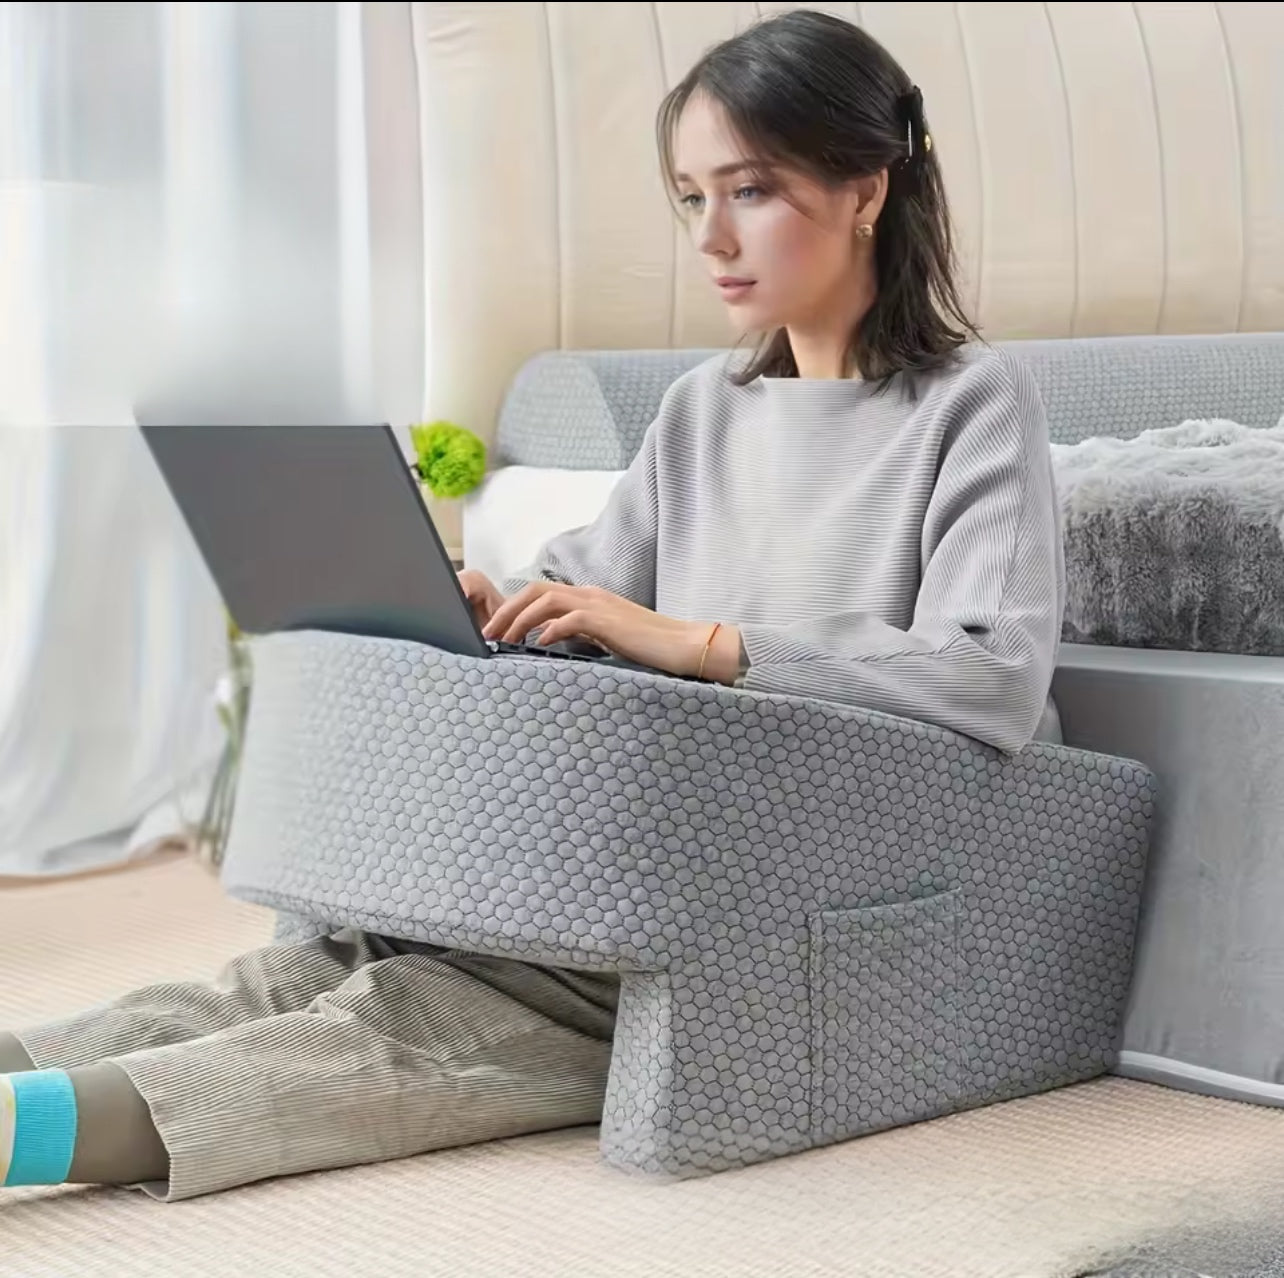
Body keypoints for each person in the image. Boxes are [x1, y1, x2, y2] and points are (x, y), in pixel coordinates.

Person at [0, 10, 1063, 1201]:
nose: (710, 237)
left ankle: (19, 1136)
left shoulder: (973, 405)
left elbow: (990, 674)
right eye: (688, 198)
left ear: (866, 189)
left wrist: (698, 643)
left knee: (401, 1031)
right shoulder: (705, 407)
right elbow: (586, 589)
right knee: (301, 977)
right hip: (621, 860)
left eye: (750, 190)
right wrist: (493, 605)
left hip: (767, 894)